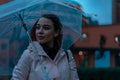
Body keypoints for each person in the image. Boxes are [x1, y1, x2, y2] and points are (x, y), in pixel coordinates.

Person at [11, 13, 79, 80]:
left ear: (56, 32)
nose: (40, 31)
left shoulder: (67, 55)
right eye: (38, 27)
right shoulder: (29, 54)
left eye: (46, 28)